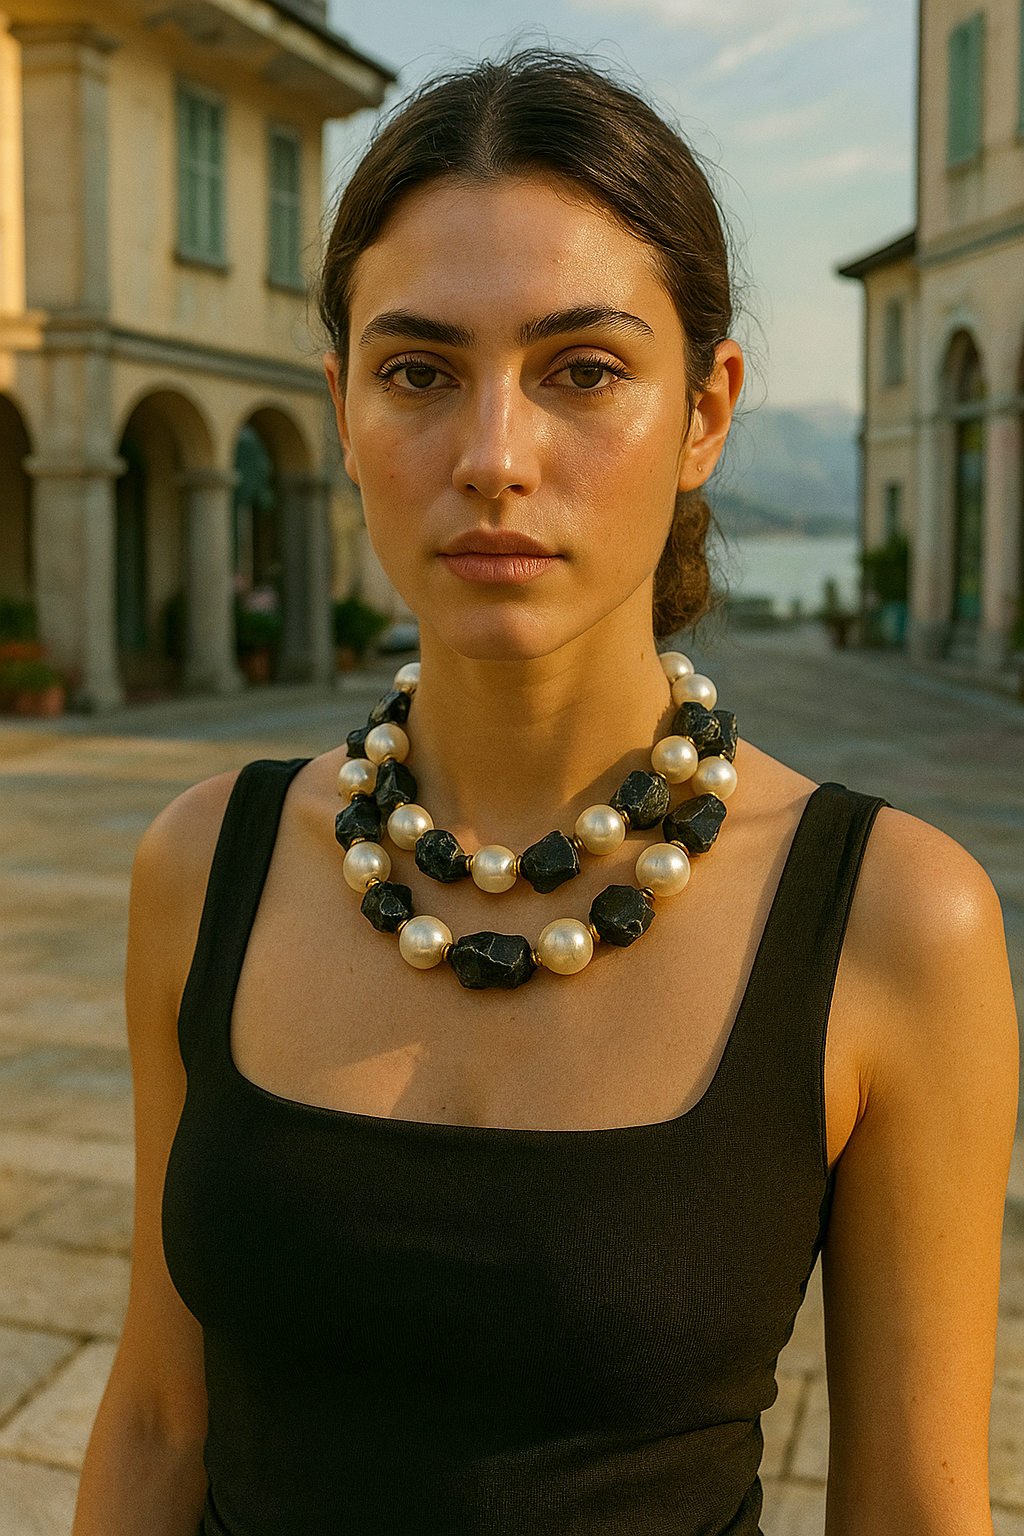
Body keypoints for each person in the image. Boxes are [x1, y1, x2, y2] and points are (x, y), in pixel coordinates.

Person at [73, 51, 1018, 1536]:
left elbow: (913, 1507)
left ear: (706, 411)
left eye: (583, 370)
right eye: (417, 372)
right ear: (340, 408)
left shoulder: (895, 924)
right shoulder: (205, 867)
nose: (494, 458)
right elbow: (152, 1419)